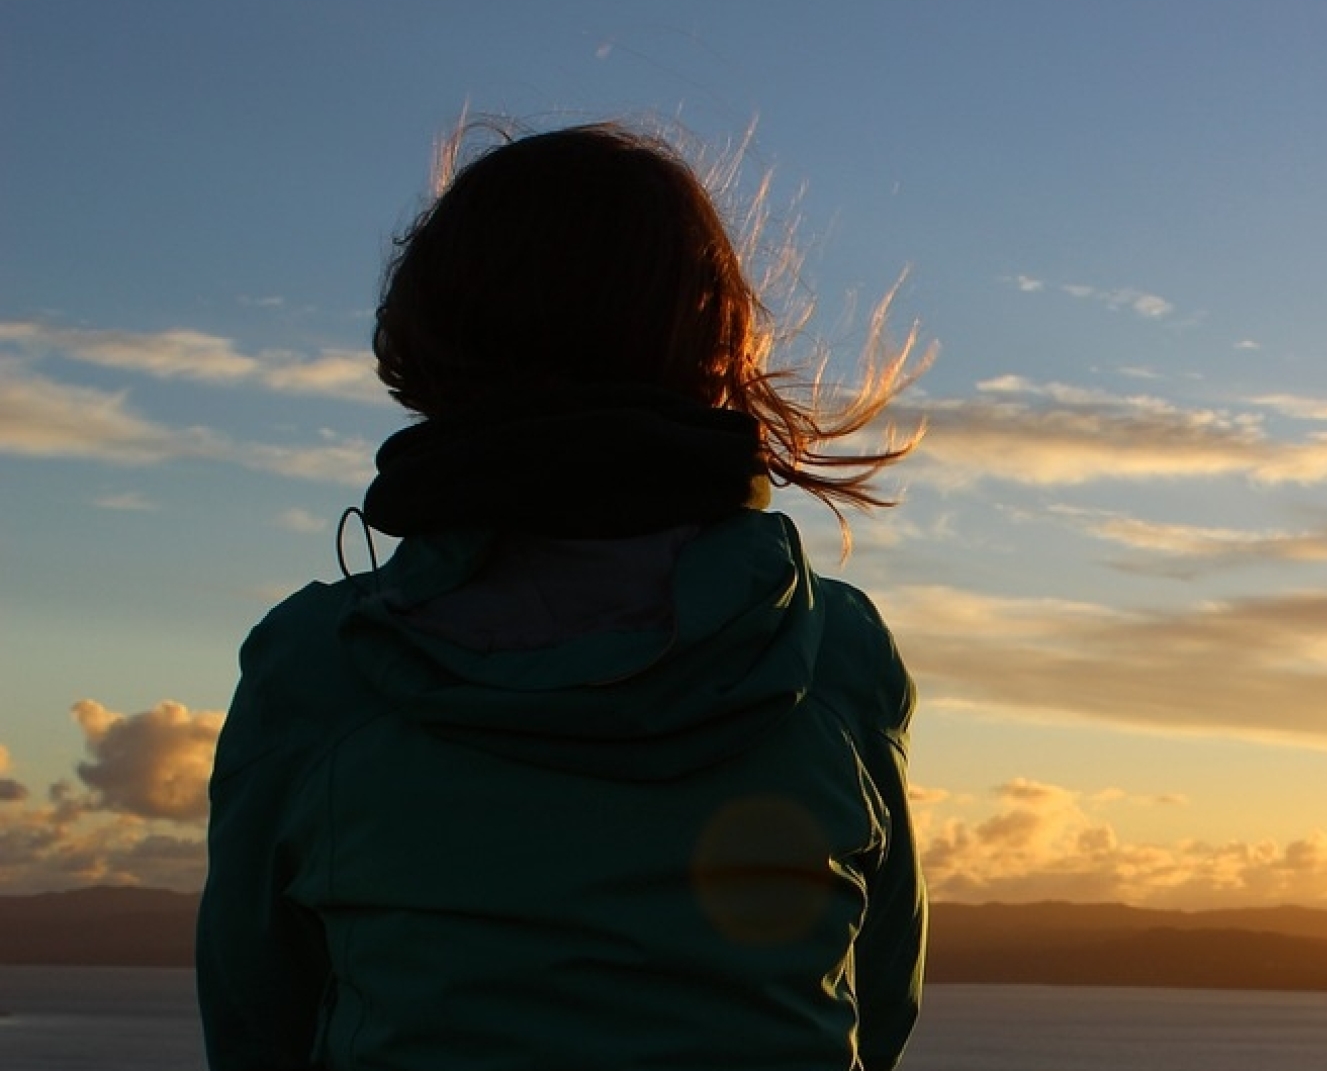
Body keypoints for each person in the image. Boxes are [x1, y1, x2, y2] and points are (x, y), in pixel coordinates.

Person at [196, 122, 928, 1070]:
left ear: (433, 339)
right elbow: (878, 1005)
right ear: (713, 340)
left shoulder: (317, 670)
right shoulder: (831, 654)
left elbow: (259, 1022)